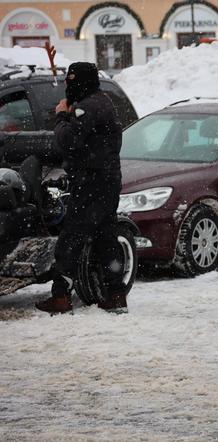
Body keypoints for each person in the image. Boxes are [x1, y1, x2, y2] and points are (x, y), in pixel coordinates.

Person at [35, 62, 127, 314]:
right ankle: (116, 294)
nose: (68, 86)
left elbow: (69, 141)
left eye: (72, 82)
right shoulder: (103, 101)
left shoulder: (88, 107)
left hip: (91, 182)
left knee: (71, 237)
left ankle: (61, 296)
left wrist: (62, 115)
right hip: (106, 180)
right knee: (105, 237)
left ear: (82, 83)